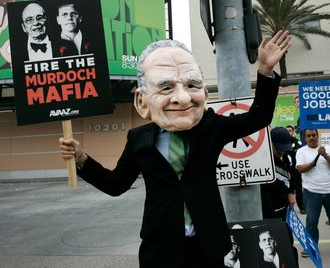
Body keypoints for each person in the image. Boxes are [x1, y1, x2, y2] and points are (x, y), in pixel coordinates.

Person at [59, 30, 291, 268]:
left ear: (204, 94)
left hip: (208, 245)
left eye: (191, 85)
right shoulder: (138, 139)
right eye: (166, 88)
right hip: (161, 248)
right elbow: (116, 184)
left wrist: (264, 70)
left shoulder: (211, 127)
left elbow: (259, 117)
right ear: (142, 101)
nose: (181, 98)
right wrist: (82, 159)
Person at [260, 127, 298, 266]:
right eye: (278, 148)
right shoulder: (262, 162)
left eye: (284, 148)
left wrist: (291, 192)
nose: (281, 151)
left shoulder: (286, 156)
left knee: (289, 246)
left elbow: (291, 175)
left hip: (286, 211)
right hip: (271, 215)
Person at [296, 129, 330, 258]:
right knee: (311, 222)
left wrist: (325, 155)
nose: (311, 138)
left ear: (317, 136)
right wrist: (315, 159)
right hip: (311, 193)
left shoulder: (327, 148)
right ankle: (311, 247)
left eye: (314, 135)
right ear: (305, 138)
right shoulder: (301, 151)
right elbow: (300, 169)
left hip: (329, 191)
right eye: (308, 136)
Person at [286, 124, 305, 214]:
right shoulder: (284, 142)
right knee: (289, 189)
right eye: (287, 130)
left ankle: (302, 207)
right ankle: (290, 208)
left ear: (293, 131)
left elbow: (298, 152)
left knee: (298, 189)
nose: (289, 132)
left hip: (296, 170)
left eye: (290, 130)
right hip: (287, 171)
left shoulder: (297, 142)